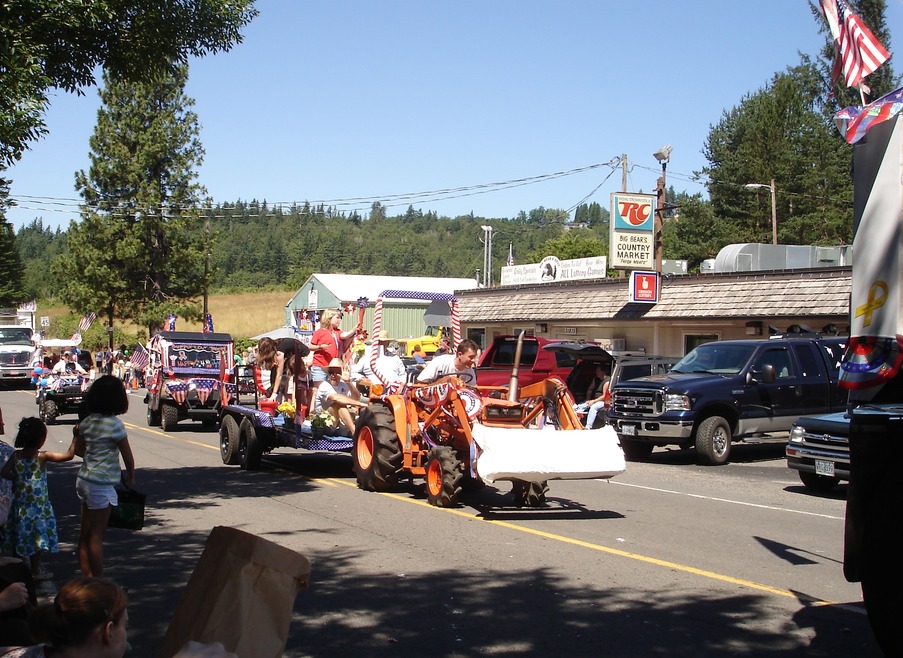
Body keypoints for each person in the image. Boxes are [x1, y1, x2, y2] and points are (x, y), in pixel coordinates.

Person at [75, 376, 136, 577]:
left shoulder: (86, 423)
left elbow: (80, 452)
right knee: (97, 536)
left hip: (84, 479)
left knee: (85, 533)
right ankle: (98, 582)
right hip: (101, 485)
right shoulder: (115, 425)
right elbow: (128, 456)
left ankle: (86, 576)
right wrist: (130, 477)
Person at [1, 418, 76, 580]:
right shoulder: (42, 457)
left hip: (20, 507)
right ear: (41, 440)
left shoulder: (16, 456)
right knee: (37, 539)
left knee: (18, 535)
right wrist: (76, 437)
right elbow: (69, 456)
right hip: (38, 507)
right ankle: (35, 571)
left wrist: (17, 479)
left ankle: (17, 568)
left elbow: (4, 473)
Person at [309, 309, 361, 405]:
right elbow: (311, 347)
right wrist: (320, 347)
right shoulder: (320, 332)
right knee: (318, 390)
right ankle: (313, 413)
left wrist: (354, 330)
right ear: (329, 318)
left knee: (331, 390)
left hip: (333, 367)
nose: (339, 320)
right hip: (320, 365)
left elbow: (345, 335)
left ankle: (329, 409)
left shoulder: (337, 332)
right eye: (337, 318)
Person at [313, 359, 367, 434]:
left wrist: (348, 382)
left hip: (338, 423)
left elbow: (356, 398)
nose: (333, 375)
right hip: (322, 425)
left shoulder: (344, 384)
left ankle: (355, 434)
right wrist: (359, 404)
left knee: (353, 413)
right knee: (338, 404)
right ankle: (354, 433)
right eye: (331, 372)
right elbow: (336, 398)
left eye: (337, 372)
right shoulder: (324, 385)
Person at [256, 336, 311, 403]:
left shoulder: (279, 352)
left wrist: (274, 393)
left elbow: (279, 374)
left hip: (303, 356)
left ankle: (289, 405)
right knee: (276, 375)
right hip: (291, 357)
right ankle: (273, 394)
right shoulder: (275, 347)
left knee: (289, 385)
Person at [350, 331, 406, 395]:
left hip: (395, 393)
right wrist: (363, 378)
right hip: (375, 393)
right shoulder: (367, 358)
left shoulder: (395, 358)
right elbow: (353, 373)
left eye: (383, 342)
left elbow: (402, 374)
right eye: (378, 342)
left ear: (387, 343)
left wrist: (401, 384)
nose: (380, 344)